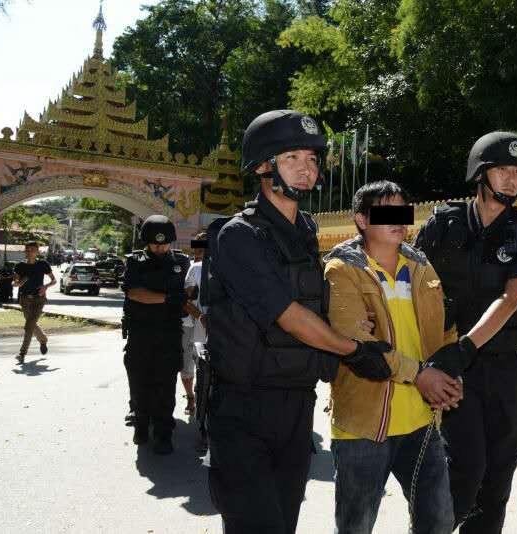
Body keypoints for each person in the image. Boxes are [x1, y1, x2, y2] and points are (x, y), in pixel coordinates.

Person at [205, 109, 394, 534]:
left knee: (284, 522)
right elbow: (288, 316)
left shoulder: (305, 231)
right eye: (292, 158)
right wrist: (354, 351)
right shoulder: (238, 235)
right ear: (262, 166)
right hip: (244, 408)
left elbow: (321, 304)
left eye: (311, 159)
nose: (306, 169)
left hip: (296, 404)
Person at [414, 131, 517, 533]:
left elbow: (513, 296)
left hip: (503, 370)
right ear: (480, 173)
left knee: (496, 488)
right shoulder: (442, 223)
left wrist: (466, 346)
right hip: (454, 370)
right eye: (502, 169)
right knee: (464, 471)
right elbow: (410, 281)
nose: (511, 178)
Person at [324, 181, 463, 534]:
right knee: (356, 527)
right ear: (361, 220)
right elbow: (356, 341)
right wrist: (421, 375)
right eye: (386, 211)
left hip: (421, 420)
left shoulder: (421, 267)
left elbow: (445, 327)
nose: (398, 220)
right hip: (363, 425)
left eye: (403, 211)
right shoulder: (342, 270)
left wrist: (448, 376)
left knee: (438, 521)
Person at [122, 215, 190, 455]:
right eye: (155, 243)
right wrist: (168, 298)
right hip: (141, 333)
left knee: (166, 385)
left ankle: (163, 434)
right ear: (146, 241)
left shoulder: (182, 263)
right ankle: (141, 425)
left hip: (169, 333)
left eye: (164, 243)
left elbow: (190, 293)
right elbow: (135, 293)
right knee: (140, 383)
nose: (160, 247)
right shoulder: (135, 262)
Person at [13, 241, 56, 364]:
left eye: (32, 250)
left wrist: (45, 287)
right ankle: (43, 339)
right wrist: (17, 283)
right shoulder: (20, 266)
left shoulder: (43, 264)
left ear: (37, 251)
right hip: (25, 299)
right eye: (27, 250)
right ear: (24, 251)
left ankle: (22, 353)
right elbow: (14, 281)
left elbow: (54, 280)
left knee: (29, 326)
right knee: (31, 324)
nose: (29, 252)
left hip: (39, 299)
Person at [180, 233, 206, 417]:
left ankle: (202, 397)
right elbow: (184, 300)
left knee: (204, 364)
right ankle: (191, 397)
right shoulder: (192, 267)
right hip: (189, 323)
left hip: (208, 325)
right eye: (197, 247)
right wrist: (200, 316)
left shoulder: (220, 267)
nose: (199, 251)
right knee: (187, 363)